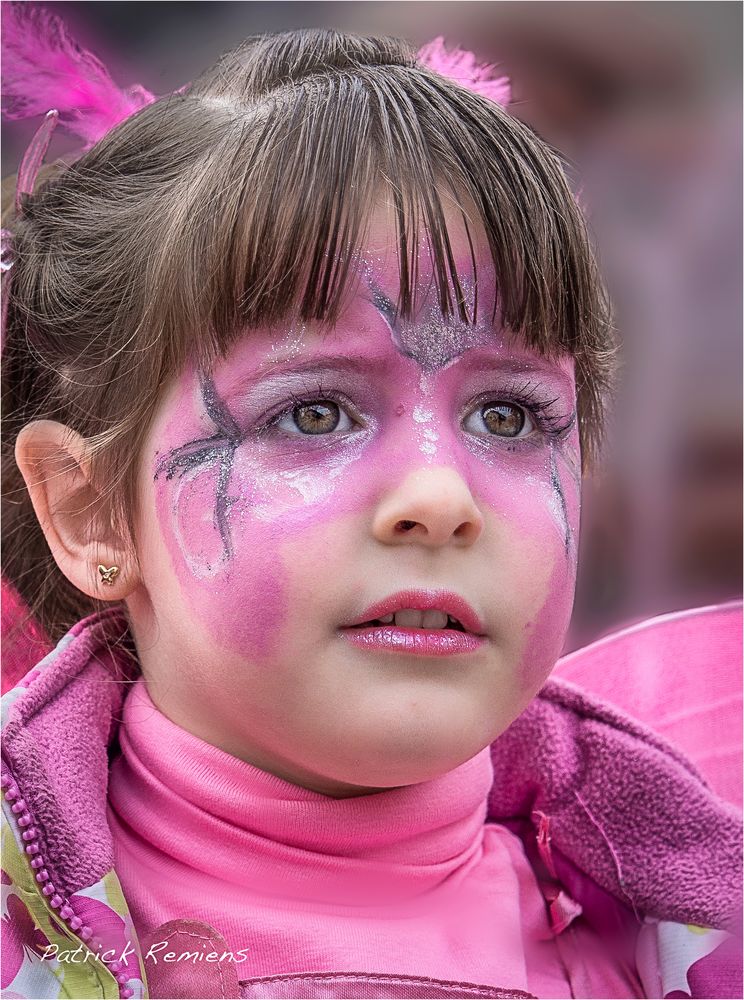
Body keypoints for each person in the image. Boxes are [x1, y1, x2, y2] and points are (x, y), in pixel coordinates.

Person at [1, 9, 740, 999]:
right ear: (92, 511)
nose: (439, 496)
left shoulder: (689, 934)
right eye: (314, 409)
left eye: (512, 417)